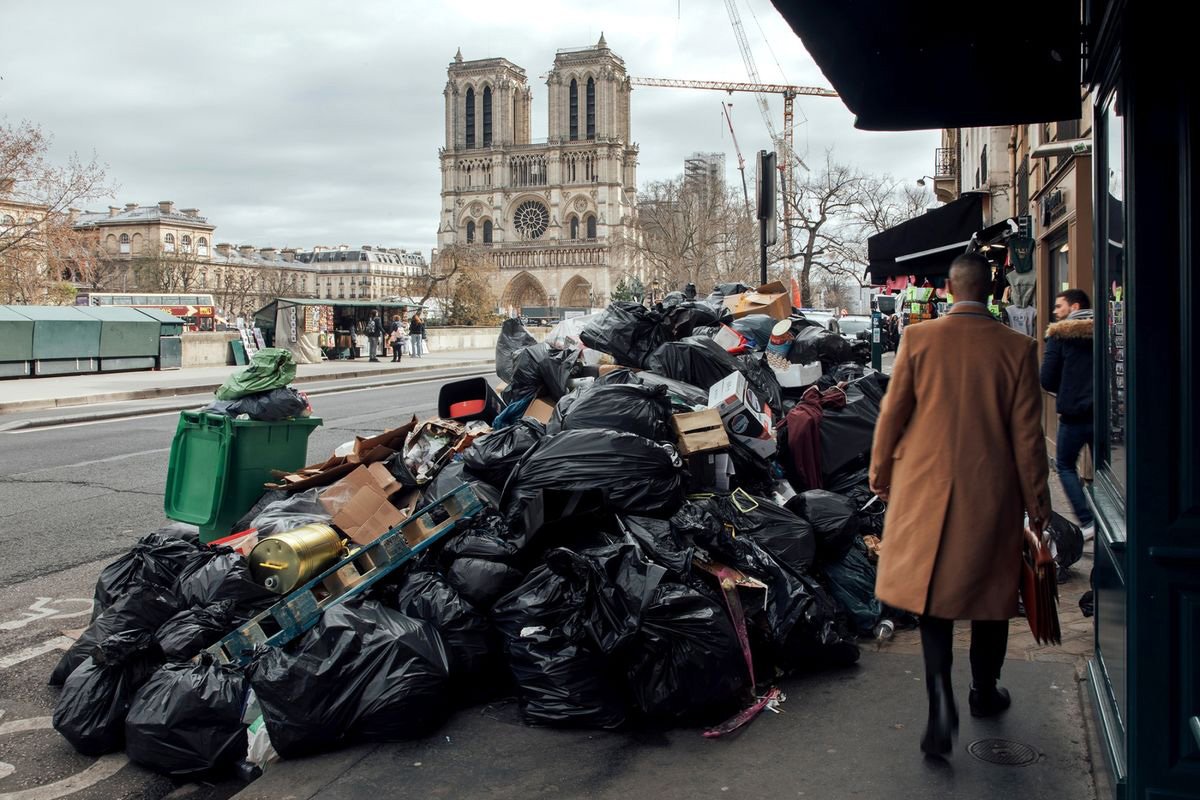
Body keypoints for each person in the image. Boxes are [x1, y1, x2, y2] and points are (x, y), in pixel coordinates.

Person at [869, 252, 1050, 758]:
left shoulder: (918, 340)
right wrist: (1039, 507)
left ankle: (939, 702)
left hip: (926, 492)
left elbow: (892, 415)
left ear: (948, 289)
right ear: (992, 292)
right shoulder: (1017, 348)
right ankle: (984, 690)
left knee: (934, 602)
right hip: (991, 496)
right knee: (991, 599)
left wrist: (880, 474)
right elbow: (1029, 439)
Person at [1040, 288, 1095, 539]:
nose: (1054, 312)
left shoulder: (1059, 336)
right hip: (1104, 415)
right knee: (1104, 470)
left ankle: (1087, 520)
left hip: (1073, 414)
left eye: (1059, 307)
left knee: (1064, 465)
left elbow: (1047, 379)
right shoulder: (1107, 331)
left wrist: (1068, 386)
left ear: (1074, 308)